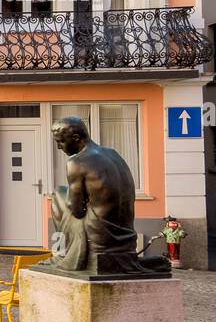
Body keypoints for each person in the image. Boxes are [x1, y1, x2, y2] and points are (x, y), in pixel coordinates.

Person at [45, 117, 169, 276]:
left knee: (57, 193)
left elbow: (76, 210)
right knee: (64, 192)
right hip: (126, 237)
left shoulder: (76, 162)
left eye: (60, 141)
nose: (58, 147)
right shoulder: (113, 154)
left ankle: (64, 254)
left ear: (75, 138)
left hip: (99, 235)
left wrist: (82, 200)